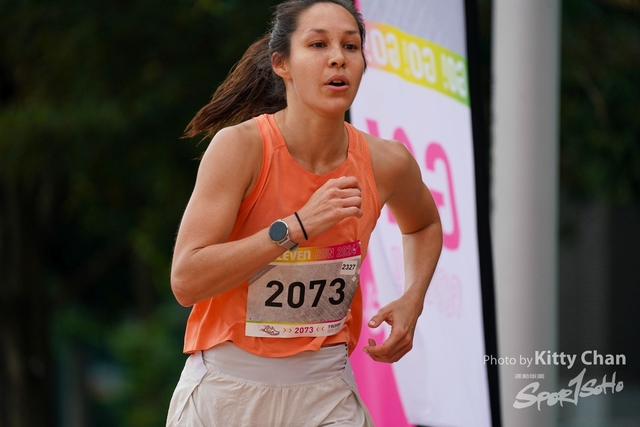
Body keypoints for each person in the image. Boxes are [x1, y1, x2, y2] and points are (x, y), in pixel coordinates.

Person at [166, 0, 443, 426]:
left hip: (325, 390)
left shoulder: (387, 162)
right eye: (318, 44)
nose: (338, 58)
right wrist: (295, 228)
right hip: (228, 391)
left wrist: (413, 298)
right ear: (282, 64)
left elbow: (423, 223)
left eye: (350, 46)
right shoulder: (241, 148)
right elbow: (187, 281)